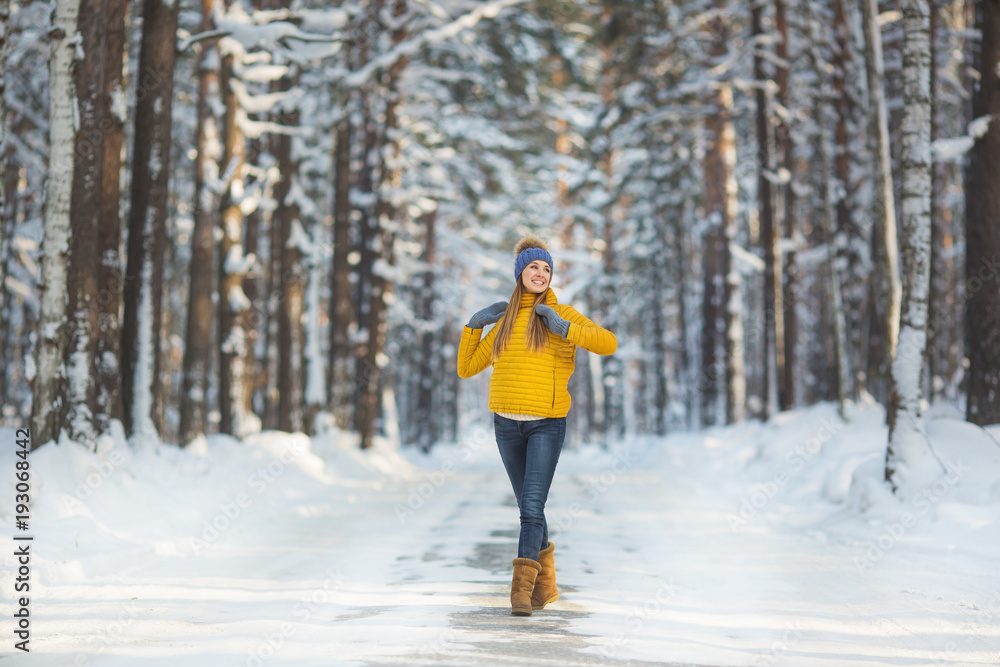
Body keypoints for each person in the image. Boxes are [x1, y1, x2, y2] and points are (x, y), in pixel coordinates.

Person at [457, 235, 617, 616]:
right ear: (519, 274)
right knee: (530, 508)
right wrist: (475, 325)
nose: (541, 273)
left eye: (546, 268)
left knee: (531, 507)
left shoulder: (562, 315)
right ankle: (545, 586)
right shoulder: (505, 322)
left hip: (546, 425)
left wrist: (565, 329)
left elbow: (608, 343)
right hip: (506, 425)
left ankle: (520, 594)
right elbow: (467, 368)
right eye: (533, 266)